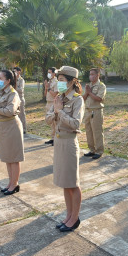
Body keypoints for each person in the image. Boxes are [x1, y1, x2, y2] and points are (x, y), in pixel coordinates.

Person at [45, 66, 84, 232]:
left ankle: (75, 218)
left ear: (71, 81)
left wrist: (60, 112)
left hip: (69, 143)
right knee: (64, 183)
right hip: (58, 142)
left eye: (61, 80)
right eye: (58, 80)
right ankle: (68, 215)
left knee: (72, 183)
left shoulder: (77, 100)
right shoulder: (58, 98)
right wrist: (56, 111)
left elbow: (76, 123)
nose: (58, 83)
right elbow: (47, 119)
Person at [0, 69, 24, 195]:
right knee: (7, 157)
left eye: (1, 78)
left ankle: (14, 184)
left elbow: (10, 111)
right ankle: (10, 182)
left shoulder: (13, 94)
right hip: (3, 126)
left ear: (8, 80)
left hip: (11, 126)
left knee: (14, 158)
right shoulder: (2, 93)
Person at [82, 68, 107, 160]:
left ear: (98, 75)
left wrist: (89, 92)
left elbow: (99, 98)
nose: (91, 76)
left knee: (97, 131)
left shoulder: (101, 86)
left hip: (96, 110)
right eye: (90, 74)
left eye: (92, 74)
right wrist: (86, 92)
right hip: (88, 111)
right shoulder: (89, 86)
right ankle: (92, 150)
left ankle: (99, 151)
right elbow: (83, 99)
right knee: (89, 131)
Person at [44, 67, 59, 146]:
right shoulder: (49, 81)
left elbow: (55, 94)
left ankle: (56, 139)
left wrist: (48, 88)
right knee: (50, 122)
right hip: (48, 102)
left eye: (50, 72)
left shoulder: (56, 82)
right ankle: (53, 138)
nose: (48, 74)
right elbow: (45, 94)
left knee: (55, 122)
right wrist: (46, 88)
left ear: (54, 73)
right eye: (48, 72)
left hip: (53, 103)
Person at [13, 67, 26, 134]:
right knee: (15, 114)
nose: (14, 72)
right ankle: (17, 128)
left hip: (20, 99)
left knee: (21, 115)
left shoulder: (21, 80)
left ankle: (23, 129)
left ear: (19, 72)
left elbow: (21, 90)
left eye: (15, 71)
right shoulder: (12, 80)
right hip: (14, 100)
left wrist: (15, 87)